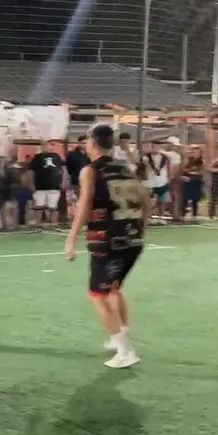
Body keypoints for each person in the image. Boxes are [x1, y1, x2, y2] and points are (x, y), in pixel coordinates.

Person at [64, 124, 148, 370]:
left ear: (91, 143)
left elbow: (84, 205)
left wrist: (70, 239)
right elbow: (146, 201)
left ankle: (125, 351)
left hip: (108, 239)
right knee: (114, 289)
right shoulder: (125, 169)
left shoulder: (90, 170)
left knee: (97, 295)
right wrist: (141, 228)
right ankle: (119, 337)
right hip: (132, 239)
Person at [27, 142, 63, 226]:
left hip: (54, 186)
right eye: (45, 145)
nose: (47, 147)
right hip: (40, 186)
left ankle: (54, 225)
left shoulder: (57, 156)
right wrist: (31, 184)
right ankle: (38, 225)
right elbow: (31, 171)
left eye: (49, 145)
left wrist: (63, 181)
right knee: (39, 206)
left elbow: (62, 169)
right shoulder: (37, 157)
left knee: (53, 207)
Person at [180, 146, 205, 219]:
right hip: (188, 181)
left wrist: (190, 172)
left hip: (196, 182)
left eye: (196, 152)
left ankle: (194, 215)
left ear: (200, 153)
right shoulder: (189, 160)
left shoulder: (201, 161)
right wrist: (186, 174)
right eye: (193, 152)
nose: (194, 153)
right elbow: (183, 169)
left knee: (195, 199)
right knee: (184, 198)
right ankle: (183, 214)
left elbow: (201, 172)